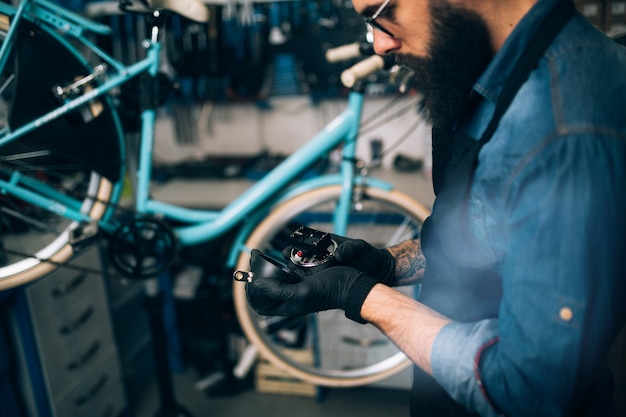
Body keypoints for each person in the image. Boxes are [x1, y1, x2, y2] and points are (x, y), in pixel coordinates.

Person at [245, 0, 626, 415]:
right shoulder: (489, 72)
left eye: (380, 14)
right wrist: (386, 265)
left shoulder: (559, 128)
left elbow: (528, 389)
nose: (379, 44)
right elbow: (494, 237)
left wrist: (360, 296)